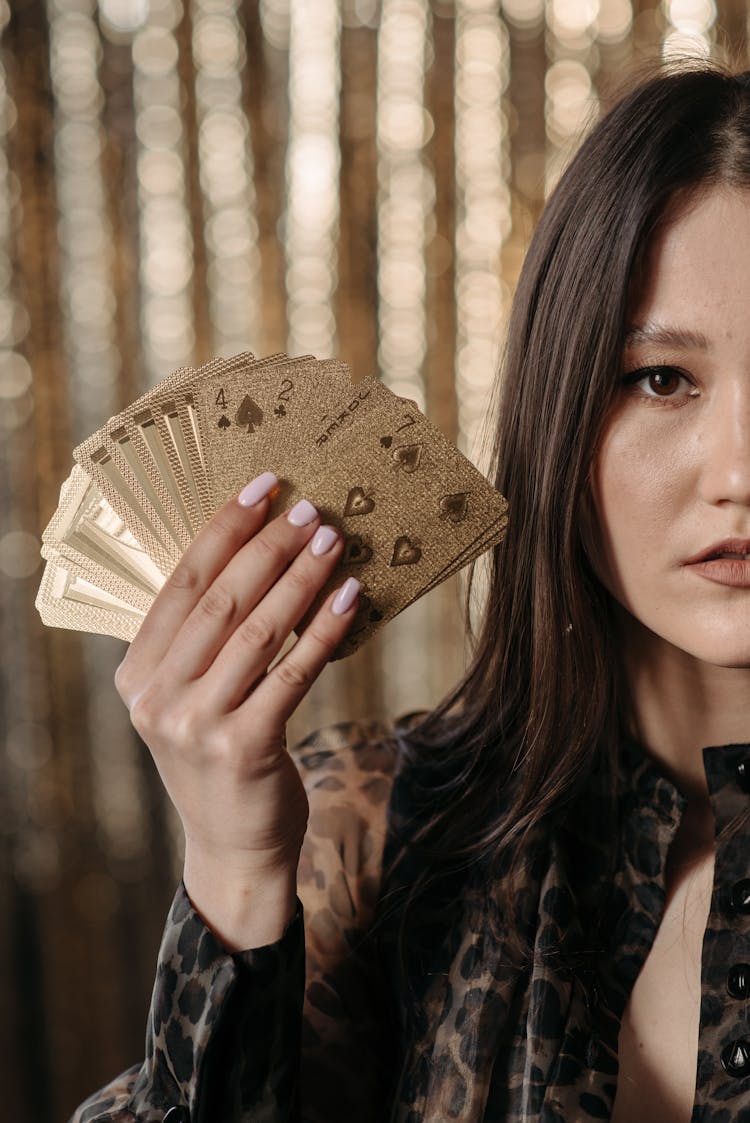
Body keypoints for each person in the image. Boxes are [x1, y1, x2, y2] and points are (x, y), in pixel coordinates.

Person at [73, 63, 750, 1123]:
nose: (739, 471)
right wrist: (238, 878)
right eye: (660, 379)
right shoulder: (375, 834)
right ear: (563, 406)